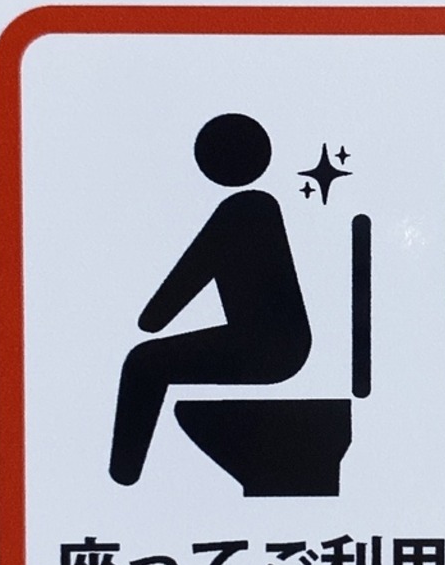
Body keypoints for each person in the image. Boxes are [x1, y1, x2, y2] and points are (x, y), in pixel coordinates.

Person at [108, 113, 311, 486]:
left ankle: (123, 476)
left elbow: (185, 281)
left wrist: (152, 320)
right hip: (276, 343)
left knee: (143, 363)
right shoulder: (260, 207)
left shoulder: (241, 211)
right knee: (147, 361)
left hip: (266, 347)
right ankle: (123, 477)